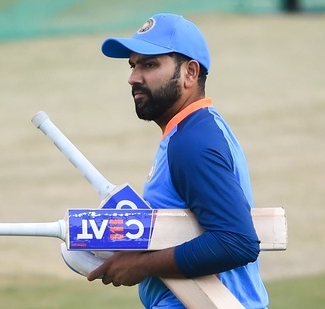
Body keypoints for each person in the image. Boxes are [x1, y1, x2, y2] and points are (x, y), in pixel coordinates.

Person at [87, 13, 269, 308]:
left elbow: (236, 242)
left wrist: (141, 265)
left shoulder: (192, 143)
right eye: (133, 65)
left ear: (190, 73)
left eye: (150, 64)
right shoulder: (191, 133)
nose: (133, 77)